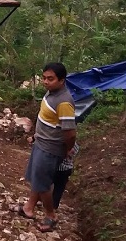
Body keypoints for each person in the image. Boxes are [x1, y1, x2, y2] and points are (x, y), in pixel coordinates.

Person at [14, 62, 76, 233]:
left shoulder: (64, 102)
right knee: (37, 177)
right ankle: (29, 208)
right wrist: (36, 136)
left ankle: (51, 215)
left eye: (50, 79)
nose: (45, 81)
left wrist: (67, 149)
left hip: (51, 148)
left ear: (62, 80)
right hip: (41, 142)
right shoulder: (51, 94)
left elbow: (70, 133)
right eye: (44, 78)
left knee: (43, 183)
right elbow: (48, 120)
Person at [53, 141, 79, 209]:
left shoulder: (57, 142)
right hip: (66, 169)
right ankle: (54, 205)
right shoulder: (74, 145)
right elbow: (74, 152)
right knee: (59, 188)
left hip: (56, 167)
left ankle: (43, 201)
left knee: (49, 184)